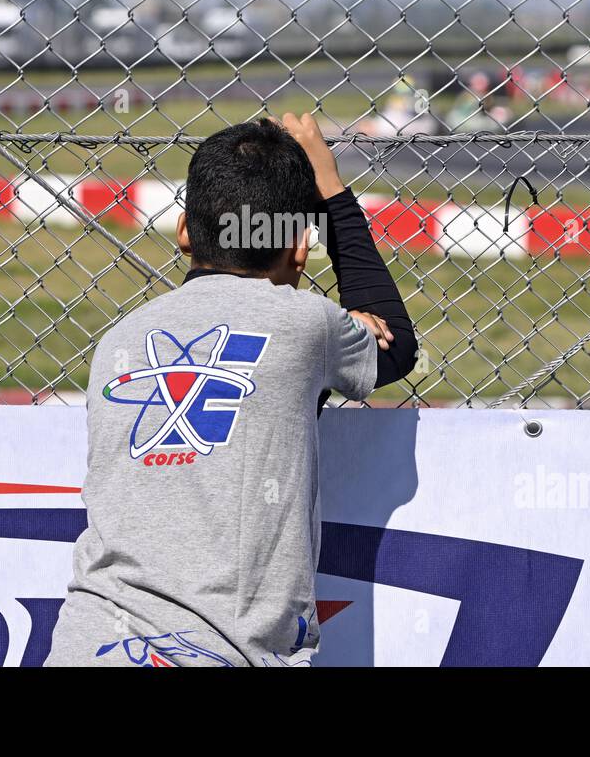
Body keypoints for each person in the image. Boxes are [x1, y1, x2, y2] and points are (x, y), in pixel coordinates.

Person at [45, 113, 417, 667]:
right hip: (223, 653)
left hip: (87, 641)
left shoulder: (118, 340)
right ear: (298, 248)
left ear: (185, 232)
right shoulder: (306, 325)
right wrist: (332, 190)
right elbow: (397, 346)